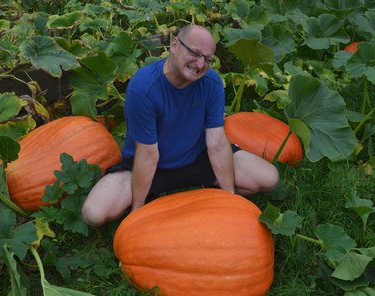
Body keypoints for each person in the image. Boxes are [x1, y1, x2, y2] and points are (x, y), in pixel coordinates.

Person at [82, 25, 279, 227]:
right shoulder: (144, 87)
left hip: (198, 159)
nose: (200, 63)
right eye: (194, 53)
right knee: (94, 213)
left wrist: (228, 199)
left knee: (268, 178)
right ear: (174, 45)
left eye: (208, 59)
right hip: (150, 167)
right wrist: (137, 211)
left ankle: (209, 192)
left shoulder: (212, 84)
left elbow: (217, 142)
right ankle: (149, 199)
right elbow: (148, 154)